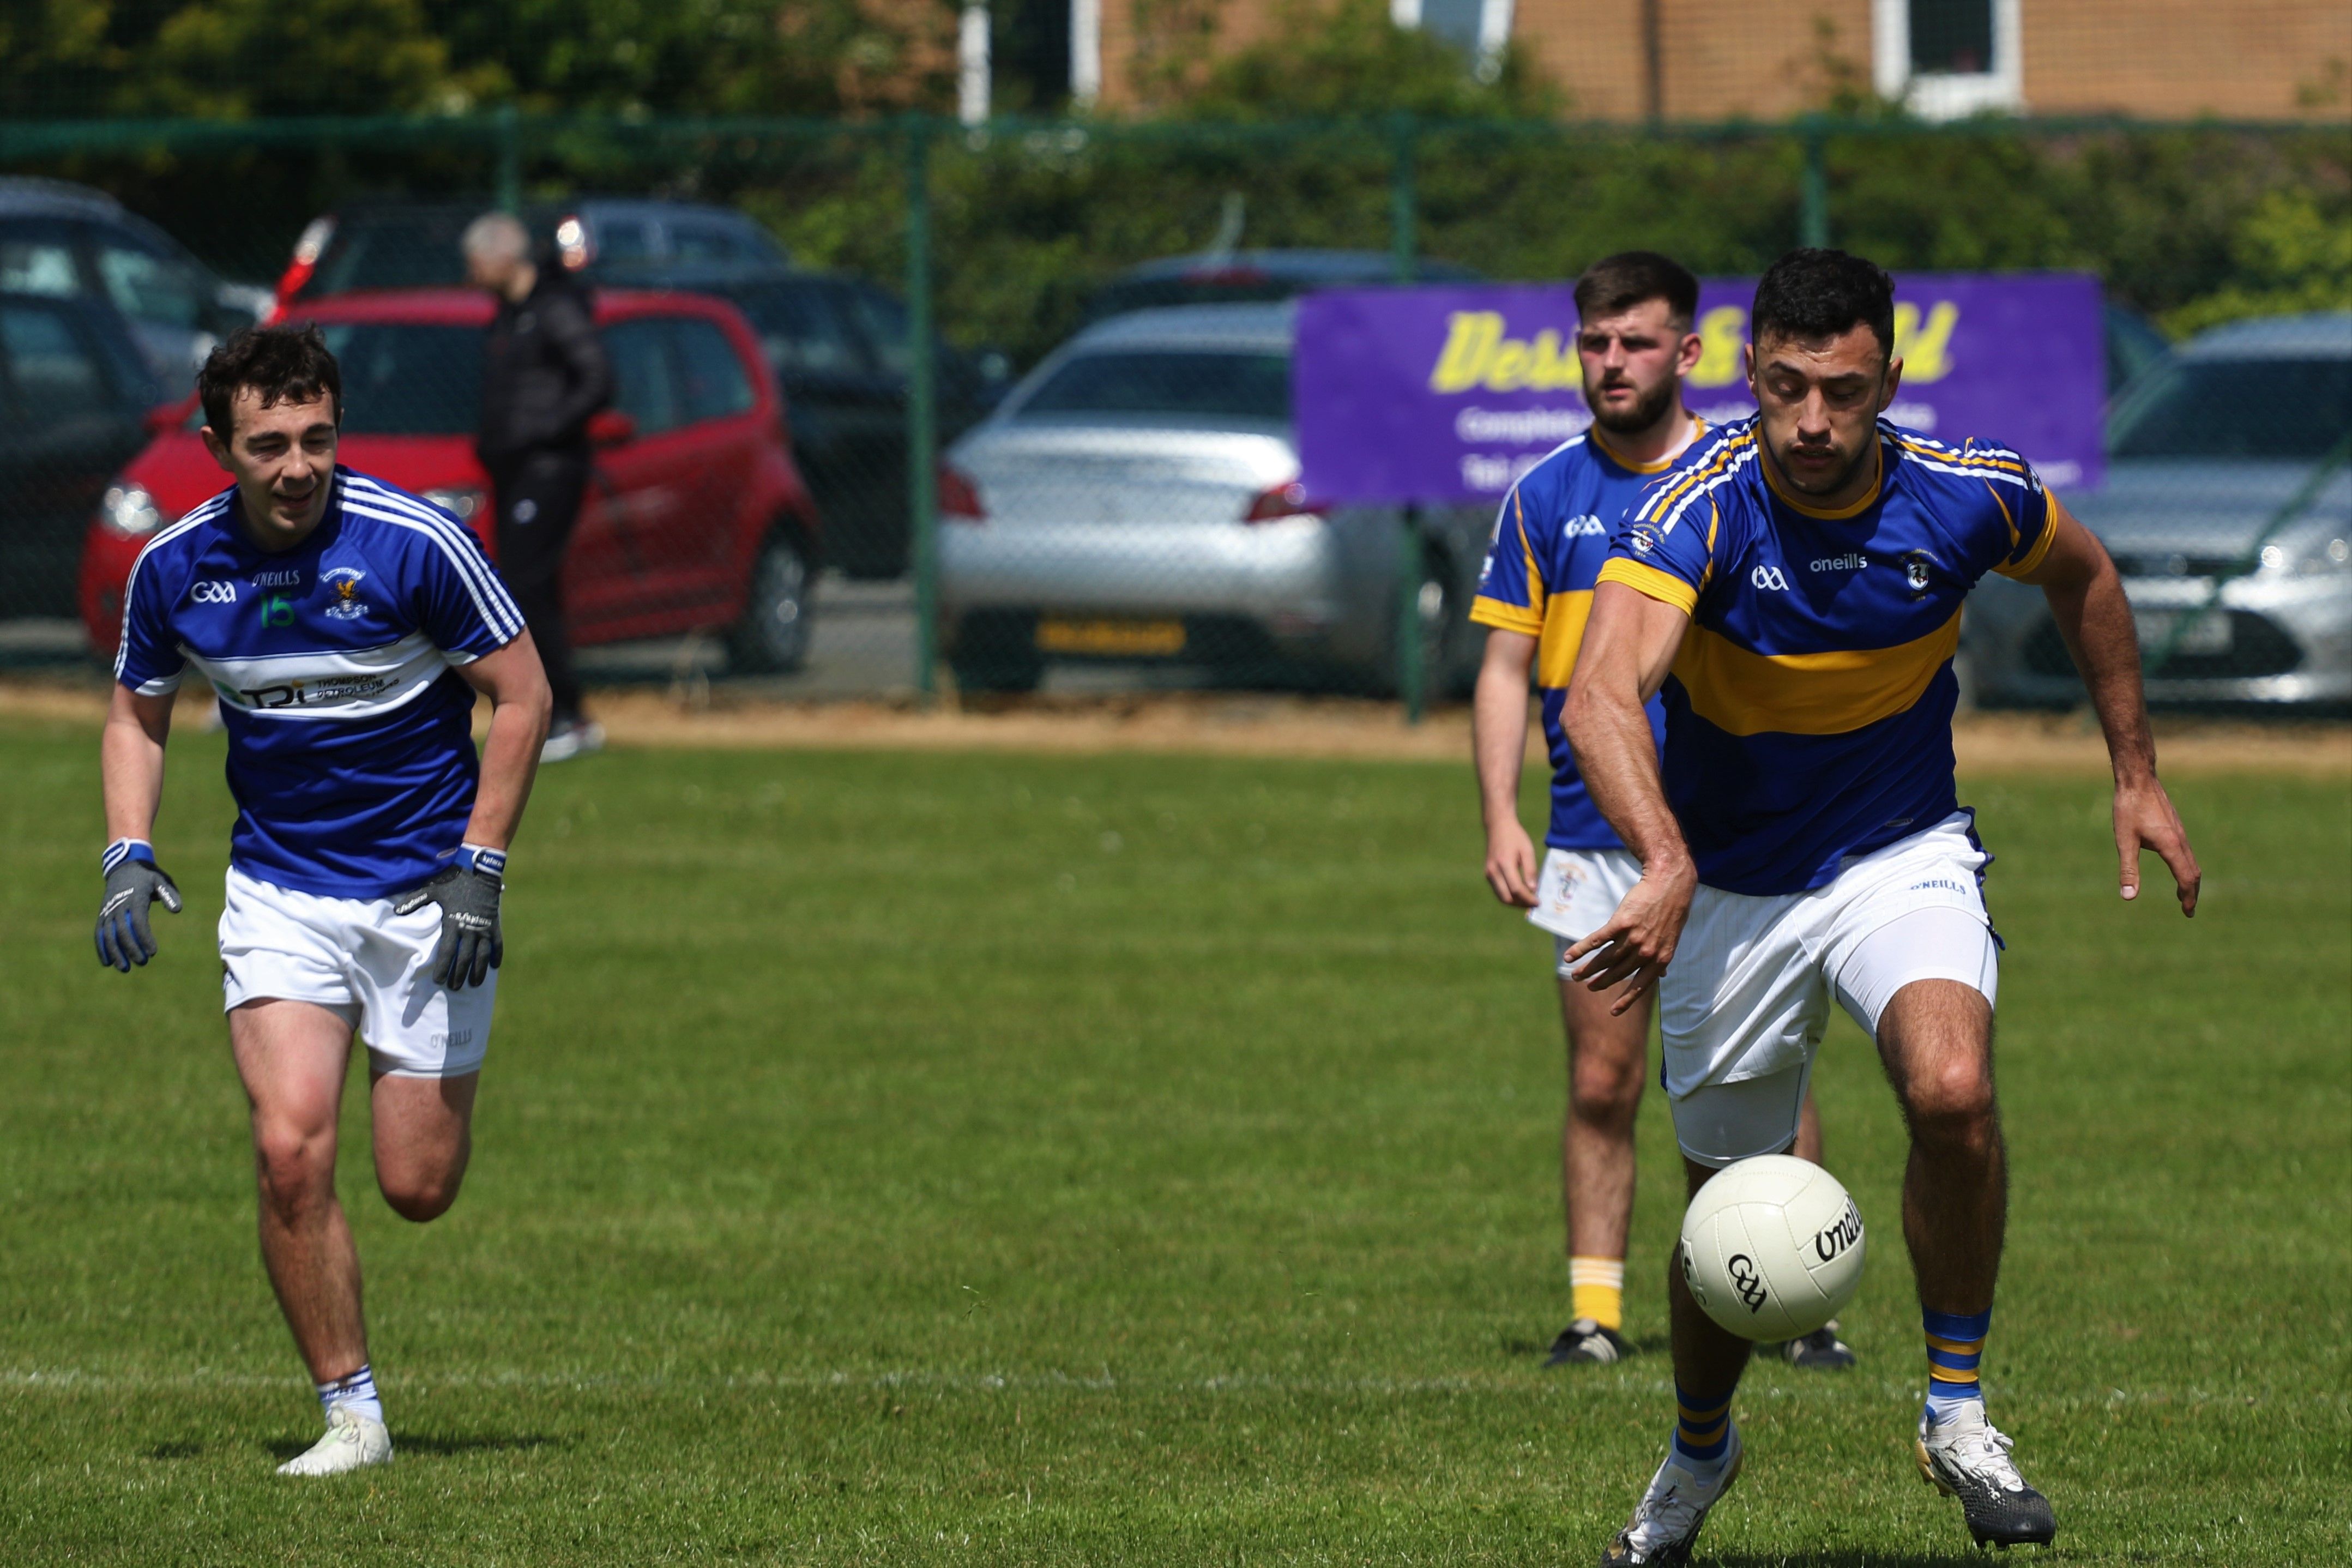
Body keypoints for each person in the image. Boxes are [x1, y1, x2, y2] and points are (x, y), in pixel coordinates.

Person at [1562, 250, 2199, 1562]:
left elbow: (2086, 579)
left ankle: (1956, 1408)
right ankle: (1697, 1448)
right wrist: (1668, 857)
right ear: (1746, 374)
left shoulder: (1967, 496)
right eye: (1785, 387)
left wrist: (2134, 770)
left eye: (1841, 392)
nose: (1809, 422)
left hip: (1895, 852)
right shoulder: (1701, 505)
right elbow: (1600, 689)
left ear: (1888, 381)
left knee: (1953, 1088)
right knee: (1726, 1208)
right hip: (1728, 882)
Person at [94, 324, 552, 1476]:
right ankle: (352, 1415)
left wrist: (481, 869)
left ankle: (364, 1383)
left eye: (317, 438)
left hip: (428, 899)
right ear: (217, 447)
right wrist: (127, 848)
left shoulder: (417, 544)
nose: (298, 465)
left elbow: (525, 693)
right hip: (282, 895)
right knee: (290, 1147)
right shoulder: (176, 570)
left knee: (418, 1186)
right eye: (269, 444)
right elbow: (136, 712)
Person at [1470, 252, 1850, 1371]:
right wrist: (1500, 811)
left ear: (1689, 354)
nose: (1612, 363)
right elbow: (1504, 666)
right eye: (1595, 343)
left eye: (1636, 343)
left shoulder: (1749, 481)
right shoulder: (1546, 494)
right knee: (1603, 1079)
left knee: (1766, 1070)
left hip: (1738, 835)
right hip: (1592, 839)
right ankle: (1596, 1316)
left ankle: (1803, 1300)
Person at [465, 210, 612, 762]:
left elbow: (597, 377)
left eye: (476, 261)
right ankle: (560, 711)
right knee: (530, 587)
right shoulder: (511, 315)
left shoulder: (553, 308)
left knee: (526, 585)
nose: (472, 273)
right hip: (515, 469)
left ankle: (562, 712)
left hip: (547, 470)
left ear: (503, 256)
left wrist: (544, 430)